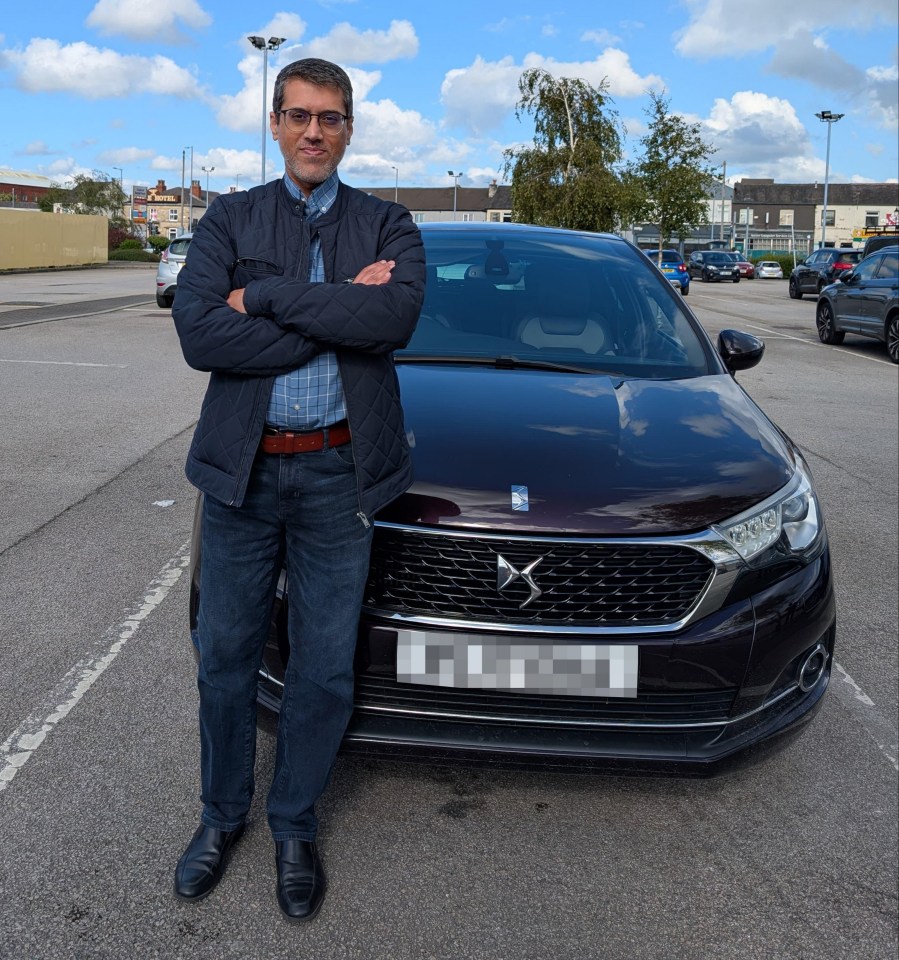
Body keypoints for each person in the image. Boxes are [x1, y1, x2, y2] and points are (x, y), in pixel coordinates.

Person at [171, 57, 425, 922]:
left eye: (332, 117)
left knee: (321, 669)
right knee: (224, 658)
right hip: (244, 473)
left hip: (337, 475)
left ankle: (293, 823)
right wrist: (330, 315)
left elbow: (390, 319)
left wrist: (269, 298)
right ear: (274, 124)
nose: (315, 131)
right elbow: (201, 336)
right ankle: (218, 817)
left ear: (350, 129)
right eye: (299, 115)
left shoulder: (389, 224)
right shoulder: (228, 217)